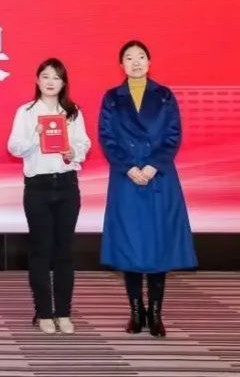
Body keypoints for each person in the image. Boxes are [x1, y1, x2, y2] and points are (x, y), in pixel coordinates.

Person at [99, 40, 197, 337]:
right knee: (130, 245)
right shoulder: (112, 97)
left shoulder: (164, 95)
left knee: (158, 246)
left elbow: (173, 135)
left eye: (141, 57)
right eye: (129, 58)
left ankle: (155, 313)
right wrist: (129, 167)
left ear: (149, 62)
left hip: (159, 176)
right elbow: (106, 137)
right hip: (126, 178)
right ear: (121, 65)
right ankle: (135, 311)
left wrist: (153, 165)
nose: (136, 62)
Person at [7, 58, 90, 335]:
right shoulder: (26, 112)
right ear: (37, 80)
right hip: (38, 188)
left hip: (67, 185)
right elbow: (14, 147)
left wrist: (73, 152)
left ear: (64, 82)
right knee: (41, 250)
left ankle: (63, 312)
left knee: (64, 251)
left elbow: (84, 143)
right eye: (45, 76)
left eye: (56, 77)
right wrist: (36, 135)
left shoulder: (73, 112)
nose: (50, 82)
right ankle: (43, 312)